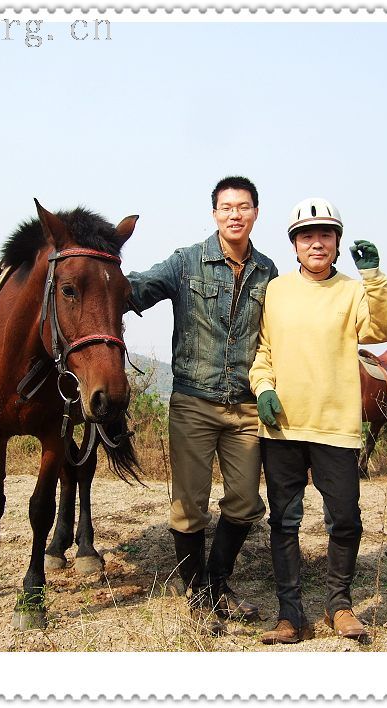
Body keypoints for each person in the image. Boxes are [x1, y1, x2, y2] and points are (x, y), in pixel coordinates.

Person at [127, 176, 278, 633]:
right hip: (194, 402)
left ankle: (217, 582)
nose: (235, 214)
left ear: (255, 212)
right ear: (214, 214)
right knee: (189, 504)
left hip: (246, 408)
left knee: (246, 501)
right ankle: (196, 591)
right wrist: (93, 269)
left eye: (244, 206)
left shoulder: (268, 272)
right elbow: (136, 289)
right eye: (226, 207)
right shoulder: (186, 262)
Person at [249, 197, 387, 644]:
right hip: (283, 428)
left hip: (336, 427)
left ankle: (340, 606)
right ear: (294, 245)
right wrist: (264, 389)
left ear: (337, 244)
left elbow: (384, 328)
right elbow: (263, 352)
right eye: (306, 236)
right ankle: (289, 614)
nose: (316, 243)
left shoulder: (354, 291)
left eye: (325, 235)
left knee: (346, 519)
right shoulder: (276, 290)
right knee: (285, 521)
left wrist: (374, 277)